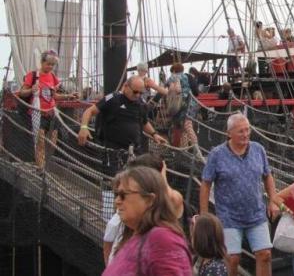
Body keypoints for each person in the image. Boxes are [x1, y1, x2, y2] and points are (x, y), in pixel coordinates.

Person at [78, 75, 167, 220]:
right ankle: (107, 216)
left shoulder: (140, 103)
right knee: (111, 179)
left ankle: (130, 214)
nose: (137, 95)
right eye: (135, 92)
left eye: (140, 92)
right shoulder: (113, 99)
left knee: (133, 182)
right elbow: (90, 111)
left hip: (133, 150)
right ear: (126, 86)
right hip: (113, 149)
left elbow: (144, 122)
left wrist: (154, 134)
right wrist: (83, 127)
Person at [200, 113, 277, 276]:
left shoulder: (258, 149)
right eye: (241, 131)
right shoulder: (217, 154)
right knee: (231, 259)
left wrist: (273, 201)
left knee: (265, 255)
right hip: (229, 217)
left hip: (256, 213)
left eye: (248, 130)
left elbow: (267, 175)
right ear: (229, 133)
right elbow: (206, 183)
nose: (246, 134)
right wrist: (204, 214)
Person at [103, 166, 192, 276]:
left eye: (123, 195)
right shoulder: (137, 238)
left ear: (149, 200)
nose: (117, 201)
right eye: (116, 195)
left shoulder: (162, 239)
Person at [18, 50, 77, 168]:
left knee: (53, 141)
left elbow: (53, 96)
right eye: (48, 64)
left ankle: (46, 162)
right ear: (42, 62)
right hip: (38, 113)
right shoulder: (33, 75)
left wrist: (68, 96)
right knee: (39, 141)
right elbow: (22, 93)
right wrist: (31, 90)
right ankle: (41, 167)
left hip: (51, 113)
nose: (50, 67)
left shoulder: (53, 77)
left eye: (52, 65)